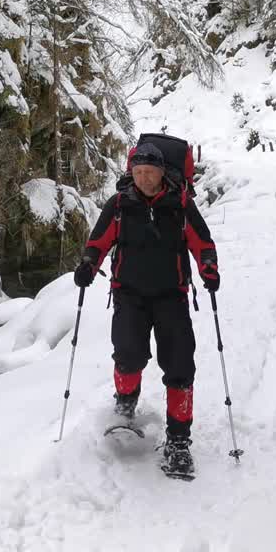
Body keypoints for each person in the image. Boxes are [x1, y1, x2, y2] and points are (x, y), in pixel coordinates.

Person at [73, 141, 219, 477]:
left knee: (180, 365)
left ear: (161, 172)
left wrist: (208, 268)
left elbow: (202, 242)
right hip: (129, 296)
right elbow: (98, 242)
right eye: (137, 172)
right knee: (128, 355)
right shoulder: (120, 205)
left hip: (172, 296)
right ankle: (125, 404)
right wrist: (88, 266)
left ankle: (179, 441)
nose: (143, 178)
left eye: (149, 172)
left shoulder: (180, 205)